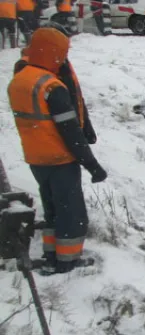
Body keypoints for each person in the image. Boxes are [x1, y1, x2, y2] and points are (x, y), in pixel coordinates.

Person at [7, 27, 107, 275]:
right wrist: (92, 165)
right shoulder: (52, 87)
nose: (62, 59)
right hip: (59, 158)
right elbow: (71, 133)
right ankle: (67, 262)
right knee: (71, 213)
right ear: (51, 52)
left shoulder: (20, 79)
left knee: (52, 207)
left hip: (36, 158)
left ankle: (52, 255)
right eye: (60, 53)